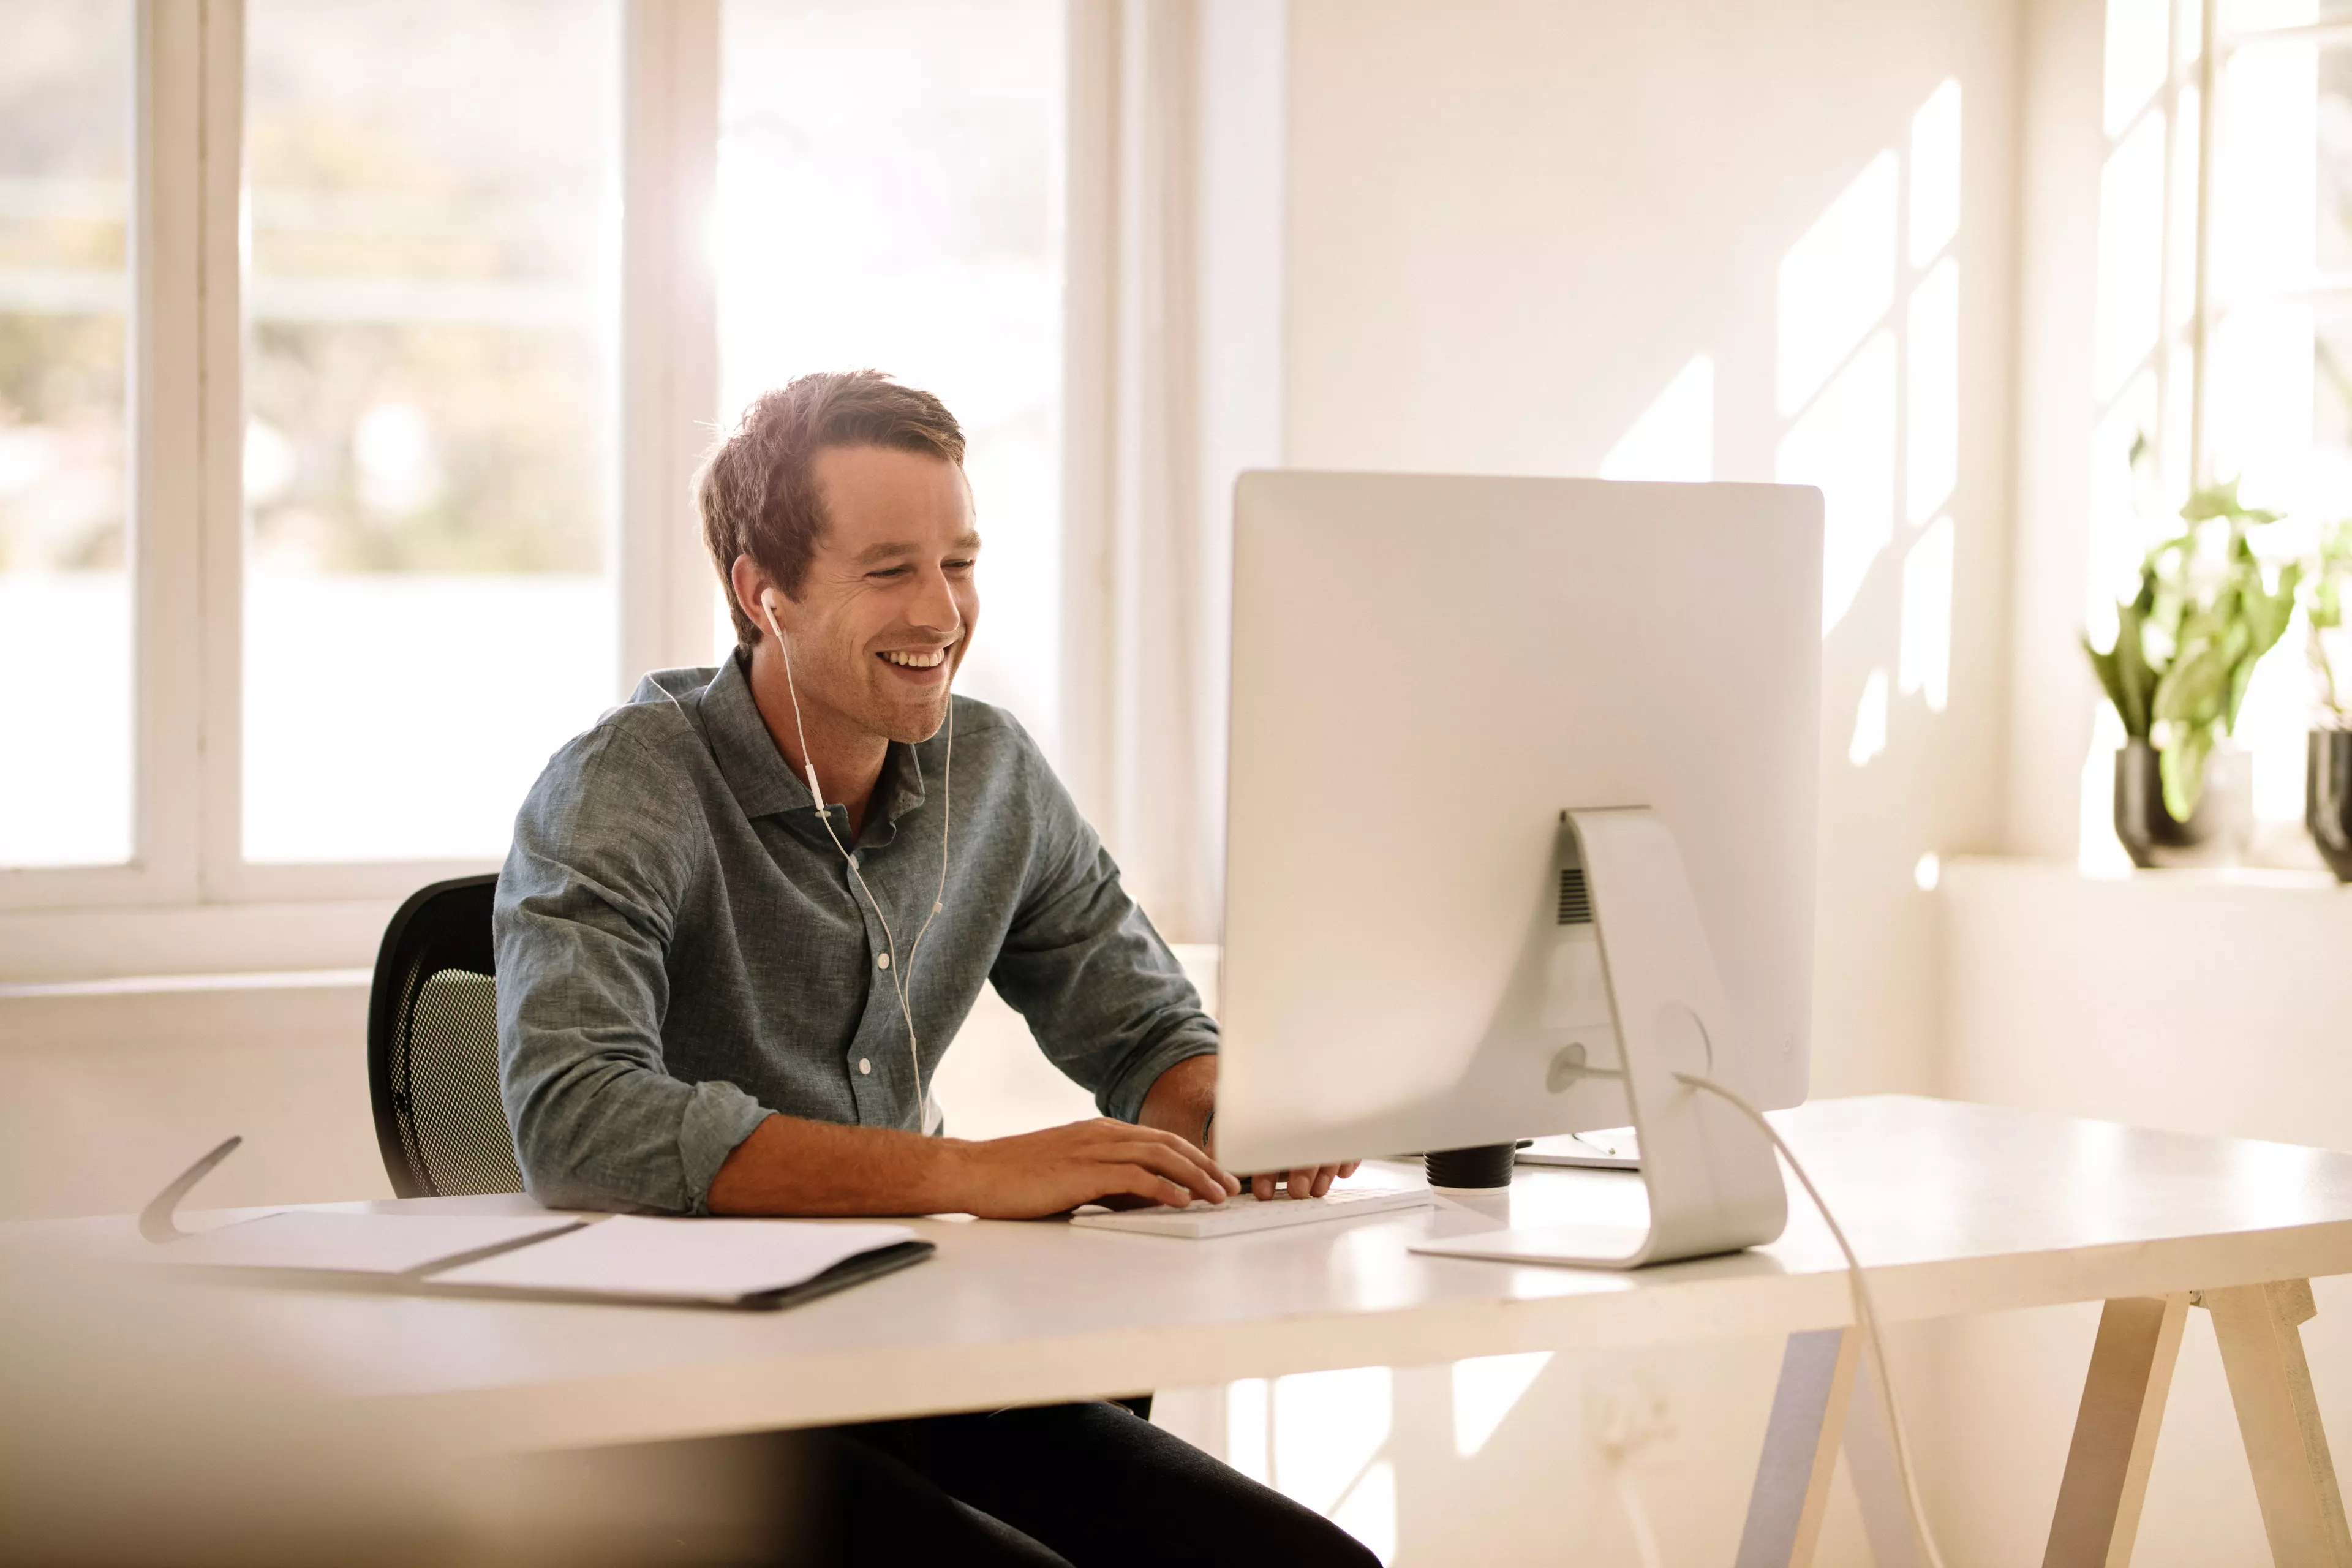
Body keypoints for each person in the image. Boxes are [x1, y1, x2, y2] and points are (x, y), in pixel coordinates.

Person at [494, 370, 1376, 1566]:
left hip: (911, 1342)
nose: (943, 611)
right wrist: (971, 1170)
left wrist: (1244, 1111)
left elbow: (1145, 1032)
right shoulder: (623, 787)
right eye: (890, 569)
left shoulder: (994, 771)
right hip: (679, 1396)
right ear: (765, 593)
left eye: (959, 563)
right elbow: (579, 1120)